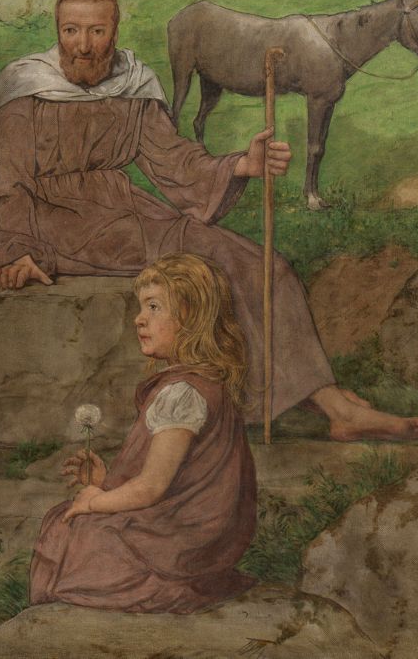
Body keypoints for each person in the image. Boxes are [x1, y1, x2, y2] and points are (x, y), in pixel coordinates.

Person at [0, 0, 418, 442]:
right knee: (218, 267)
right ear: (57, 31)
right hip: (56, 222)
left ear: (114, 32)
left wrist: (241, 165)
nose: (83, 45)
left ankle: (324, 399)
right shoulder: (27, 88)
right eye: (71, 31)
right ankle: (333, 407)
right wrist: (17, 250)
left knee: (267, 266)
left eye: (96, 32)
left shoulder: (131, 84)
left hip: (125, 211)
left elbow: (174, 160)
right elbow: (6, 182)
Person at [31, 256, 256, 612]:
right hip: (194, 536)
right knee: (75, 523)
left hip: (181, 543)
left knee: (69, 527)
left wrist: (94, 501)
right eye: (141, 308)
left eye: (154, 307)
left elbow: (152, 487)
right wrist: (107, 483)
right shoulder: (208, 382)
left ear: (192, 316)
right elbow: (178, 476)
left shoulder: (182, 393)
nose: (139, 319)